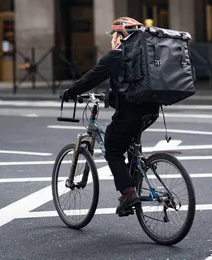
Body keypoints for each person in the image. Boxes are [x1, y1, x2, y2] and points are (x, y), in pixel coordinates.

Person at [60, 17, 160, 216]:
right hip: (152, 109)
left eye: (114, 34)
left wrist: (70, 92)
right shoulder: (145, 56)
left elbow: (91, 77)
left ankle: (128, 192)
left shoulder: (116, 56)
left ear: (121, 35)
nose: (112, 39)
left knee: (113, 148)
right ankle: (134, 179)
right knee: (130, 142)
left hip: (130, 111)